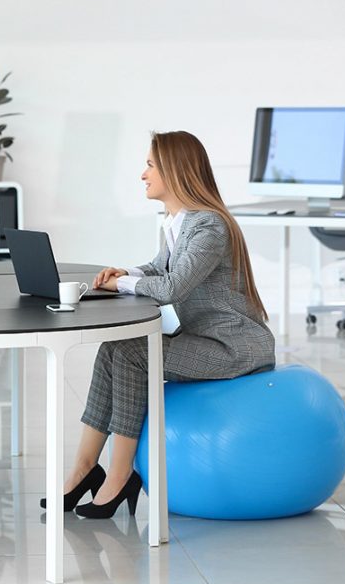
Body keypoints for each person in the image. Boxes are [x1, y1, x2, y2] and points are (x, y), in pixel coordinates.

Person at [53, 130, 275, 519]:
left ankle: (121, 476)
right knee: (113, 348)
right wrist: (128, 271)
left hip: (233, 348)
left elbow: (174, 286)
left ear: (175, 171)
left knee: (132, 354)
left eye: (150, 165)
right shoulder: (179, 222)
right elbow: (161, 268)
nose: (143, 174)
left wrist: (121, 283)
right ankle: (85, 469)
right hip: (205, 338)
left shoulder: (209, 227)